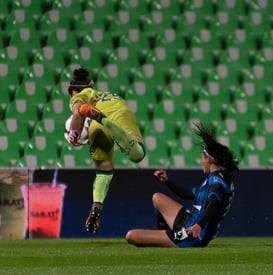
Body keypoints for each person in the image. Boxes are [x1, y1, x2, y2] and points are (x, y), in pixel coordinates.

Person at [125, 122, 238, 247]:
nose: (201, 162)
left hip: (192, 234)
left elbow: (214, 203)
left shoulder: (217, 180)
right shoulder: (218, 177)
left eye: (202, 158)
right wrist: (167, 182)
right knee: (157, 198)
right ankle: (163, 237)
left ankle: (167, 240)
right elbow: (188, 194)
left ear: (210, 160)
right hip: (189, 220)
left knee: (131, 236)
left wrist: (198, 226)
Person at [66, 67, 146, 234]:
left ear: (73, 91)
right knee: (138, 154)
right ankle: (106, 121)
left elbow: (78, 111)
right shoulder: (108, 95)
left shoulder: (80, 94)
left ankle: (97, 204)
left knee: (103, 172)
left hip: (95, 124)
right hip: (120, 112)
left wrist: (74, 136)